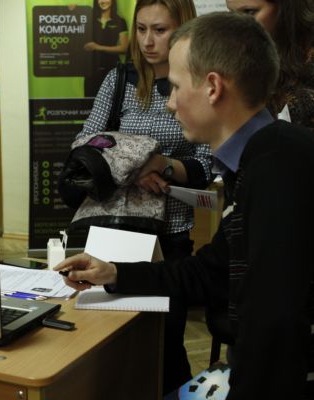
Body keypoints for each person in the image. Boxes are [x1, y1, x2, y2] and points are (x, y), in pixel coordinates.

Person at [56, 11, 314, 399]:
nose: (170, 104)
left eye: (176, 88)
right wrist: (114, 273)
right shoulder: (262, 158)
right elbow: (209, 272)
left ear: (212, 87)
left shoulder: (279, 168)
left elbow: (273, 327)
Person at [74, 0, 211, 393]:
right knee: (112, 339)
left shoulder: (199, 82)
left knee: (166, 341)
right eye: (141, 29)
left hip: (170, 233)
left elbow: (205, 166)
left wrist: (163, 166)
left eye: (160, 30)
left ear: (183, 29)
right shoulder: (120, 79)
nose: (148, 41)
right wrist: (135, 165)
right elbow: (85, 142)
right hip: (116, 226)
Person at [226, 0, 314, 141]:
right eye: (231, 13)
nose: (236, 26)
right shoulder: (238, 55)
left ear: (284, 8)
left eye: (250, 12)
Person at [84, 0, 129, 97]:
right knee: (90, 102)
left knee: (112, 101)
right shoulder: (89, 20)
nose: (103, 1)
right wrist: (72, 9)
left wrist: (97, 47)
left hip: (112, 70)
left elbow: (124, 48)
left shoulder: (120, 21)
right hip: (92, 70)